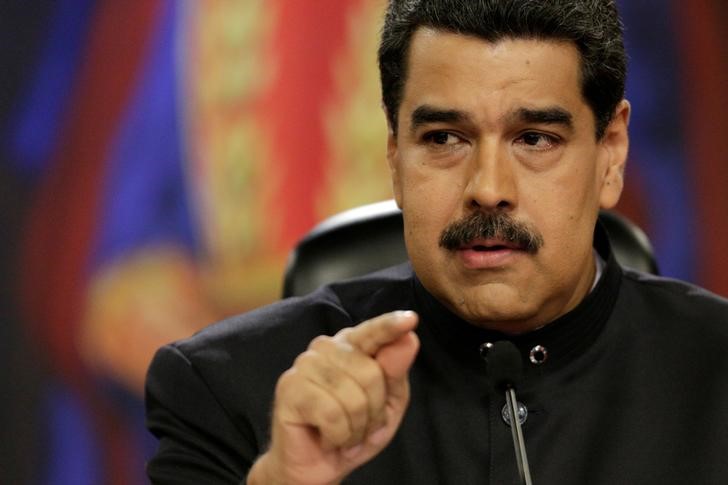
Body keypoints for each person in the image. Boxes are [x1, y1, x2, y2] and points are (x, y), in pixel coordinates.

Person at [145, 1, 728, 483]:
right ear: (395, 156)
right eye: (445, 137)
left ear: (611, 152)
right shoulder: (228, 390)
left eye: (535, 138)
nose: (489, 189)